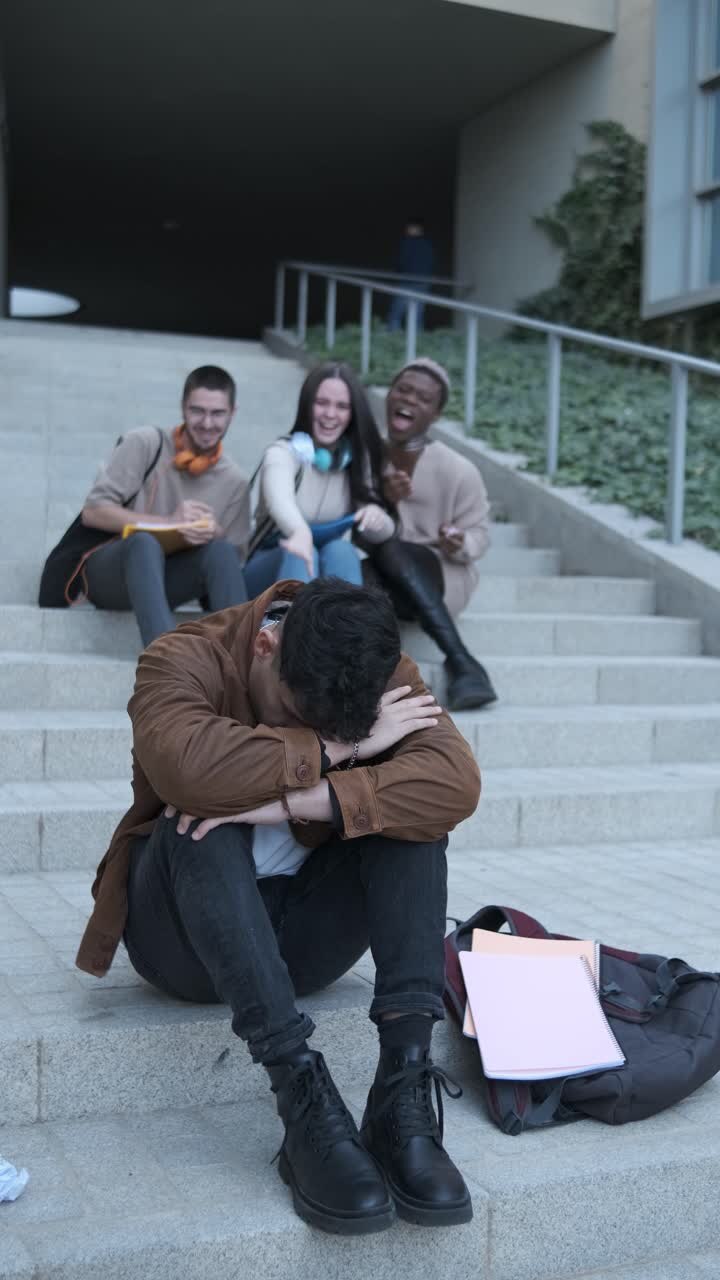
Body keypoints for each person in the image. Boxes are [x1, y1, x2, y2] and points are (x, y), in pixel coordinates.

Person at [76, 577, 481, 1236]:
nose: (308, 730)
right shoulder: (180, 657)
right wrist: (342, 750)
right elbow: (186, 767)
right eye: (298, 714)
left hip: (306, 941)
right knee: (196, 817)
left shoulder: (374, 663)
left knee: (410, 816)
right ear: (266, 645)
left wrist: (300, 800)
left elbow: (455, 782)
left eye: (332, 726)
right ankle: (303, 1098)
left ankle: (401, 1089)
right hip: (181, 941)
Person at [77, 365, 250, 647]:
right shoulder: (145, 443)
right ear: (183, 408)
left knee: (221, 551)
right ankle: (165, 664)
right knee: (144, 543)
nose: (207, 423)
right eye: (197, 411)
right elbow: (93, 511)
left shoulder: (235, 482)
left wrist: (215, 534)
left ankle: (243, 667)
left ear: (233, 412)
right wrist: (169, 523)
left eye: (217, 413)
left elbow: (235, 563)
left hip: (169, 580)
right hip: (112, 573)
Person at [362, 357, 497, 711]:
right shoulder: (367, 456)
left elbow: (480, 535)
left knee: (393, 553)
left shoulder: (458, 469)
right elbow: (357, 529)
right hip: (386, 577)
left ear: (435, 414)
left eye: (423, 398)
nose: (409, 400)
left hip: (441, 575)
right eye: (402, 390)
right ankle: (379, 678)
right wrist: (384, 500)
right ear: (389, 395)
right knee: (356, 573)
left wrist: (459, 542)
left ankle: (461, 658)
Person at [243, 362, 394, 594]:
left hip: (318, 575)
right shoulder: (282, 453)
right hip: (266, 572)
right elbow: (280, 501)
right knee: (302, 552)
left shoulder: (355, 461)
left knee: (341, 550)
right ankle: (281, 627)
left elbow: (386, 533)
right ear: (307, 405)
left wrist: (376, 517)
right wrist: (299, 533)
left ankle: (347, 628)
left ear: (353, 413)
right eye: (321, 403)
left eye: (342, 406)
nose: (330, 414)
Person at [387, 218, 434, 332]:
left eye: (411, 228)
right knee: (416, 313)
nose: (408, 230)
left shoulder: (408, 243)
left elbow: (401, 262)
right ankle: (416, 340)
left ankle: (394, 337)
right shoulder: (426, 244)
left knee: (397, 313)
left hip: (409, 281)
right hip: (421, 281)